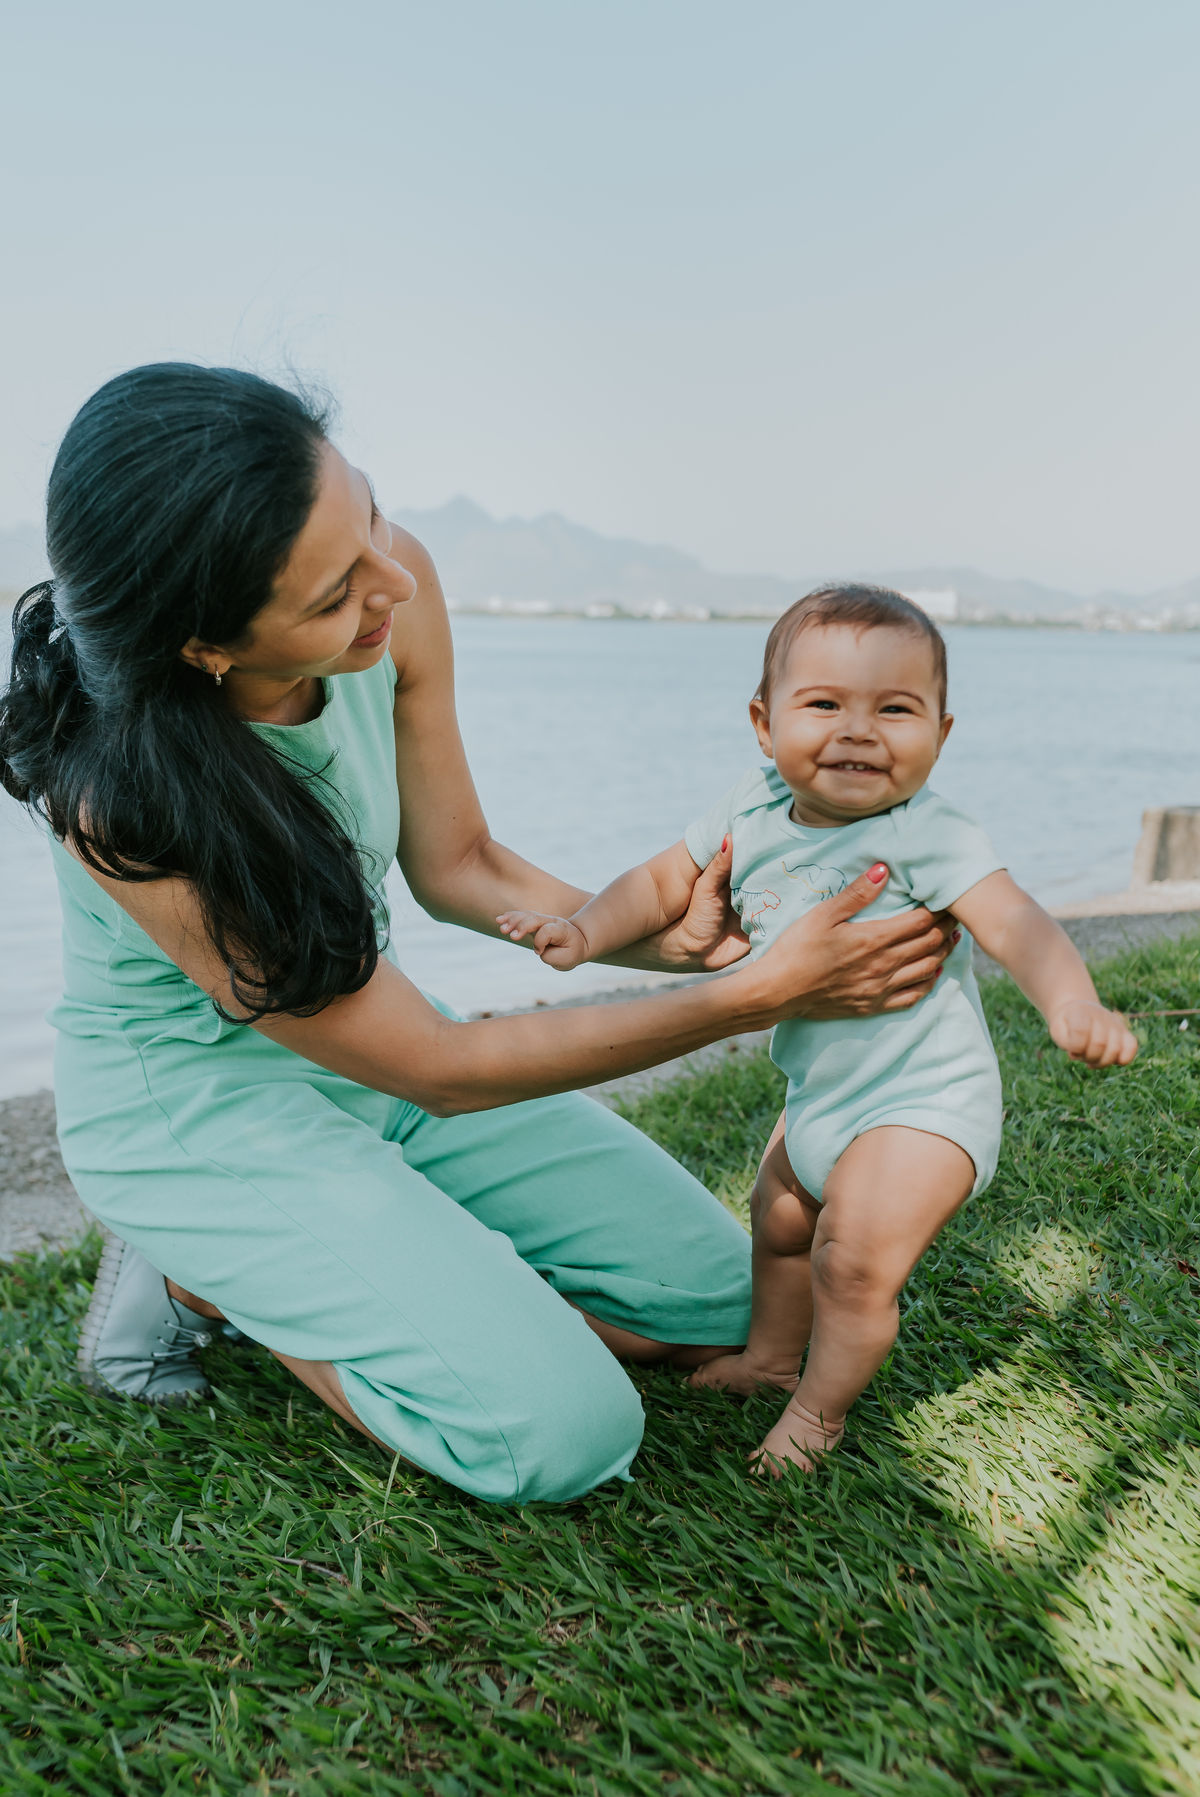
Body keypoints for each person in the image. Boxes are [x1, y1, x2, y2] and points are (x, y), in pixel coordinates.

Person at [0, 366, 956, 1505]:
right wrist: (757, 998)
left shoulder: (392, 590)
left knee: (740, 1304)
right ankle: (206, 1278)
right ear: (205, 646)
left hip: (379, 1054)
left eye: (368, 515)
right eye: (330, 597)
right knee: (558, 1438)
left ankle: (365, 1254)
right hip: (205, 1108)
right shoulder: (124, 798)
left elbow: (461, 866)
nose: (391, 583)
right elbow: (440, 1071)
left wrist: (686, 941)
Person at [497, 586, 1139, 1472]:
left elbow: (1016, 921)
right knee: (781, 1223)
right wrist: (584, 933)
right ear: (765, 724)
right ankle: (768, 1358)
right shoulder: (751, 808)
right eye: (826, 703)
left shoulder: (927, 832)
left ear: (942, 735)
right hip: (820, 1095)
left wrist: (1070, 1001)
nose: (859, 730)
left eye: (896, 708)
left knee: (850, 1262)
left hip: (924, 1104)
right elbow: (658, 883)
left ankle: (818, 1412)